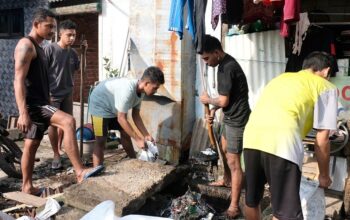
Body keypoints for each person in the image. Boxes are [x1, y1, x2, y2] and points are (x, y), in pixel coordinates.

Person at [13, 8, 103, 196]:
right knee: (68, 121)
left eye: (54, 27)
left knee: (31, 145)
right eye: (49, 27)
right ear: (36, 24)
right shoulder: (26, 45)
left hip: (41, 101)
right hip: (34, 104)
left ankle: (27, 186)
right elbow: (18, 80)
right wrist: (23, 112)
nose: (52, 31)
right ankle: (80, 172)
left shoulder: (40, 47)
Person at [243, 51, 337, 220]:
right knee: (286, 214)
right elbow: (322, 139)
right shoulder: (326, 87)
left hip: (251, 138)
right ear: (326, 71)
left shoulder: (281, 78)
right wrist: (323, 175)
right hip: (281, 142)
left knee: (252, 201)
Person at [199, 35, 251, 218]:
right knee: (223, 147)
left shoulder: (226, 68)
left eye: (207, 58)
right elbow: (224, 100)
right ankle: (227, 179)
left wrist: (208, 100)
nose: (206, 63)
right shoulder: (223, 64)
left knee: (233, 161)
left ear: (216, 52)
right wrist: (213, 108)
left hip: (238, 119)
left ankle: (234, 207)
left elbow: (223, 99)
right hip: (230, 115)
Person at [89, 66, 164, 167]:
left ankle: (134, 162)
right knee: (101, 140)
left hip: (113, 107)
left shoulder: (141, 92)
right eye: (155, 88)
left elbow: (136, 115)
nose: (156, 91)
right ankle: (97, 171)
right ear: (146, 83)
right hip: (99, 105)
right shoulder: (127, 90)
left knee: (125, 133)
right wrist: (138, 139)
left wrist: (146, 135)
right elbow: (121, 118)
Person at [44, 19, 83, 169]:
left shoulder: (73, 53)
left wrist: (84, 52)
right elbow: (42, 73)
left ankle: (63, 149)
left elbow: (79, 69)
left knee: (66, 125)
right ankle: (56, 154)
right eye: (69, 35)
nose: (72, 38)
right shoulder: (50, 50)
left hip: (67, 94)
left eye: (74, 35)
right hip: (52, 95)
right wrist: (45, 94)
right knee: (53, 126)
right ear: (60, 34)